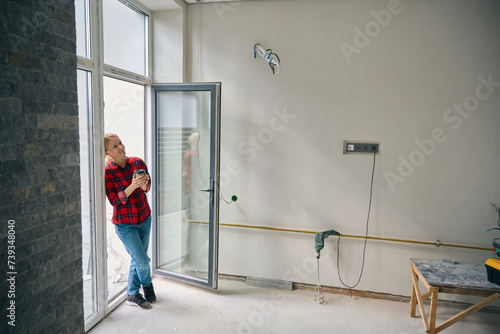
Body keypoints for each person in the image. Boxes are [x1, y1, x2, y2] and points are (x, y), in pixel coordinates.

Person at [104, 133, 156, 309]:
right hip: (125, 224)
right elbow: (114, 200)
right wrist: (133, 186)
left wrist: (143, 184)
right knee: (142, 261)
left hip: (144, 218)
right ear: (106, 152)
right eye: (115, 146)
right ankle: (146, 286)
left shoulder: (137, 162)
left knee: (137, 258)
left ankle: (133, 294)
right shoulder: (107, 172)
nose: (121, 147)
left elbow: (148, 187)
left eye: (120, 143)